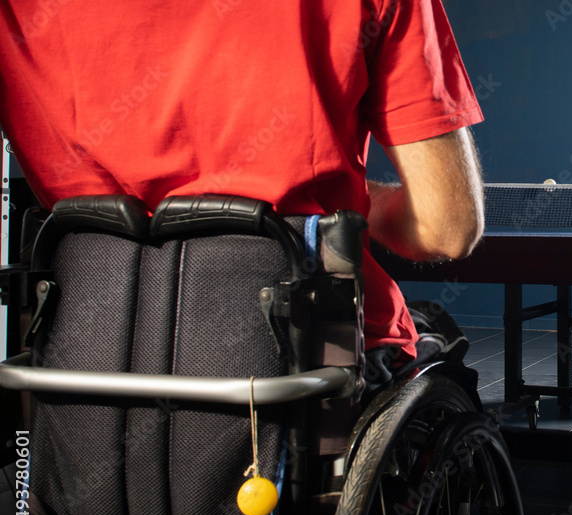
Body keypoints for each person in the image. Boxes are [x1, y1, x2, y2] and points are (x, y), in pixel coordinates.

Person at [0, 0, 485, 373]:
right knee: (432, 343)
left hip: (83, 358)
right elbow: (447, 227)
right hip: (315, 362)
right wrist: (357, 204)